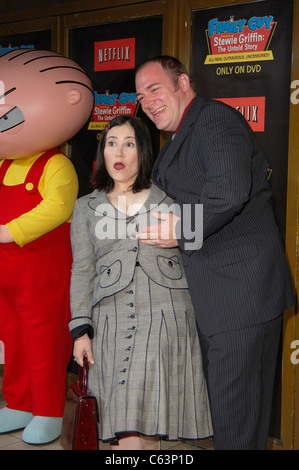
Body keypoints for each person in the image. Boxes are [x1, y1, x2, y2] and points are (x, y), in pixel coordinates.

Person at [135, 55, 295, 450]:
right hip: (223, 295)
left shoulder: (214, 120)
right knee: (240, 417)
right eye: (140, 96)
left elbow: (228, 192)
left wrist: (178, 230)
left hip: (240, 296)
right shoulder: (183, 132)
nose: (147, 101)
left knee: (236, 418)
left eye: (154, 88)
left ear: (183, 83)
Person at [69, 115, 212, 451]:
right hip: (109, 321)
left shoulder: (172, 201)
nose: (118, 151)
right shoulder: (84, 208)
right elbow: (82, 269)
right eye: (112, 143)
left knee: (141, 426)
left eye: (129, 143)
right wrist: (80, 329)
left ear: (143, 151)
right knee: (128, 426)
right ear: (102, 151)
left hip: (166, 316)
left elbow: (201, 252)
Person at [0, 48, 94, 444]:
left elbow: (56, 208)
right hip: (7, 274)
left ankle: (49, 411)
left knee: (43, 341)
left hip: (42, 272)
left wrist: (9, 230)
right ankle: (18, 403)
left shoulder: (56, 165)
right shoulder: (4, 164)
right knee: (13, 339)